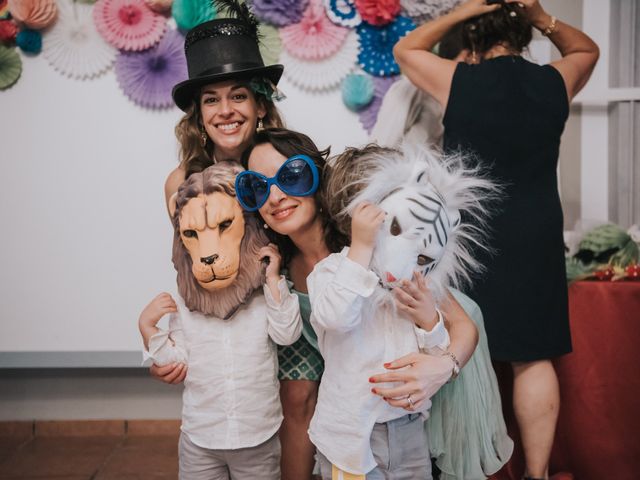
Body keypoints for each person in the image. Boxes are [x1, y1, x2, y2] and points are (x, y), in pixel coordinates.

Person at [393, 1, 599, 479]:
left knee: (456, 347)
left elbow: (407, 49)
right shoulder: (554, 80)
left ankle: (460, 468)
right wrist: (539, 15)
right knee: (533, 355)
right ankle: (538, 473)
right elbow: (588, 48)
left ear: (470, 41)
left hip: (472, 232)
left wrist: (463, 10)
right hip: (537, 228)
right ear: (521, 34)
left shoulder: (458, 80)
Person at [238, 128, 481, 478]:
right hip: (350, 411)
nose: (275, 195)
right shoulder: (278, 263)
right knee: (296, 395)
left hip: (409, 398)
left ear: (317, 178)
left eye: (291, 176)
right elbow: (331, 319)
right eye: (258, 187)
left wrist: (444, 365)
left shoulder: (375, 239)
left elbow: (459, 325)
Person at [147, 4, 320, 478]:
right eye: (211, 100)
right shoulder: (181, 182)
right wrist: (164, 339)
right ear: (198, 115)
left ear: (260, 104)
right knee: (233, 422)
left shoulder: (281, 161)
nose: (226, 111)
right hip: (230, 328)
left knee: (299, 398)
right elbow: (193, 265)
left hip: (286, 298)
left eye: (239, 96)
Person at [139, 162, 302, 479]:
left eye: (225, 225)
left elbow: (287, 334)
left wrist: (273, 281)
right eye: (191, 233)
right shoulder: (186, 306)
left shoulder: (263, 299)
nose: (208, 253)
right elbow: (176, 360)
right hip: (201, 436)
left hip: (259, 436)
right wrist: (148, 330)